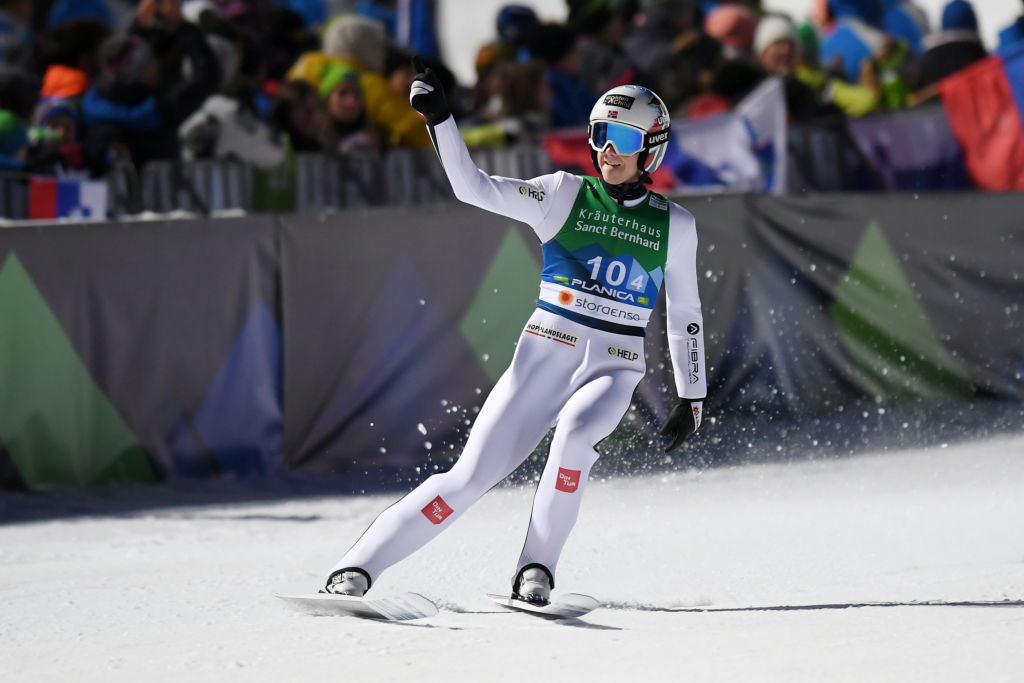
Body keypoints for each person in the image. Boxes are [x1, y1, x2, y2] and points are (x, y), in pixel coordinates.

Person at [321, 58, 708, 604]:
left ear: (653, 147)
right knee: (468, 478)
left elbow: (685, 315)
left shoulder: (677, 225)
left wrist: (692, 396)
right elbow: (472, 188)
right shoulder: (562, 193)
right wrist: (441, 121)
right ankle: (356, 569)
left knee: (575, 437)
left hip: (613, 371)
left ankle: (537, 571)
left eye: (623, 137)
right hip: (542, 361)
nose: (608, 150)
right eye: (601, 135)